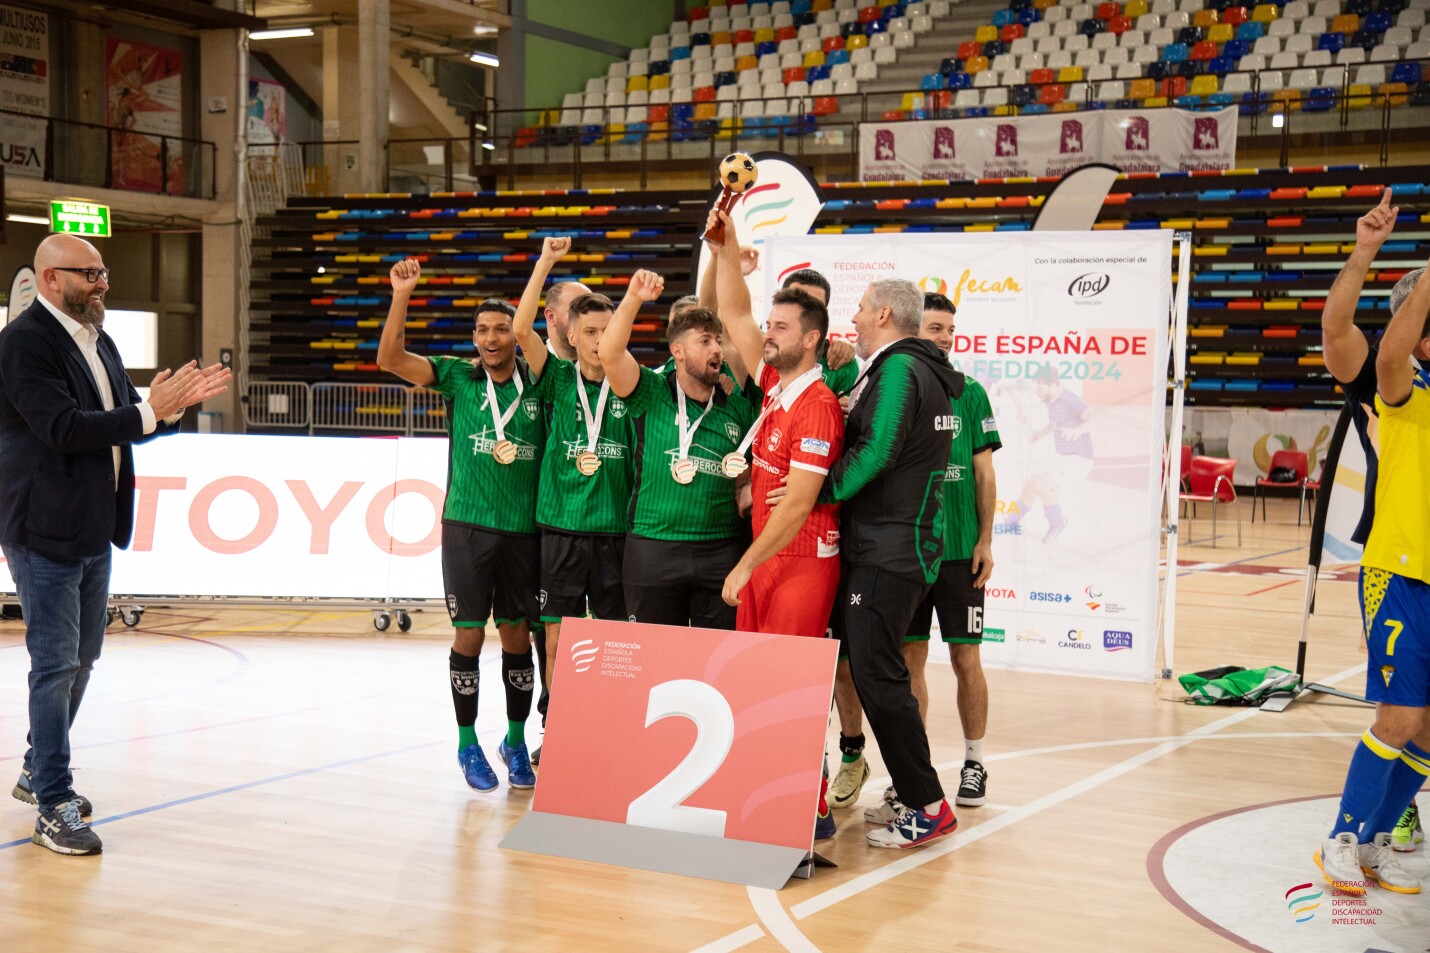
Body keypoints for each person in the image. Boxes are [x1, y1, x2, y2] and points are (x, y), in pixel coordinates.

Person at [0, 234, 230, 855]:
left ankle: (35, 766)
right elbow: (64, 430)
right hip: (42, 527)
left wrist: (167, 410)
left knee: (84, 657)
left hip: (92, 523)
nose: (103, 282)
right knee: (54, 665)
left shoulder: (98, 339)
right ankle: (52, 802)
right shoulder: (23, 344)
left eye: (104, 272)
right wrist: (148, 412)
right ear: (51, 279)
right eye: (90, 273)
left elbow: (125, 423)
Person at [378, 260, 542, 794]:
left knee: (517, 635)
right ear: (473, 338)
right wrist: (402, 294)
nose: (491, 339)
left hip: (523, 530)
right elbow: (389, 359)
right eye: (482, 330)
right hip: (467, 528)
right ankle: (467, 742)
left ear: (517, 337)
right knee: (469, 634)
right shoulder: (457, 376)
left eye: (501, 329)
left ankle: (515, 741)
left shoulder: (541, 386)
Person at [708, 211, 845, 840]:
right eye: (772, 325)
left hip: (797, 562)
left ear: (811, 339)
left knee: (791, 686)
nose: (767, 334)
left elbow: (797, 507)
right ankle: (767, 794)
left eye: (781, 327)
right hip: (769, 560)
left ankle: (809, 806)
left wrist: (744, 562)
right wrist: (726, 245)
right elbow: (735, 317)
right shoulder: (775, 385)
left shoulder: (815, 407)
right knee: (760, 681)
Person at [821, 277, 964, 849]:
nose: (851, 320)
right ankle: (915, 795)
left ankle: (927, 805)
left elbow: (876, 453)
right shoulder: (916, 368)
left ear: (883, 314)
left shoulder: (902, 369)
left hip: (889, 548)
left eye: (857, 310)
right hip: (897, 544)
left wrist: (816, 493)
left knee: (880, 679)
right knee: (883, 676)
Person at [855, 293, 1000, 826]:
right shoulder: (905, 381)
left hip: (960, 552)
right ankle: (907, 781)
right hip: (915, 552)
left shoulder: (970, 392)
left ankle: (975, 762)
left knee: (966, 660)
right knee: (909, 664)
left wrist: (985, 540)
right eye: (936, 327)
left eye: (951, 330)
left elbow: (984, 474)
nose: (944, 337)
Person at [1315, 262, 1430, 895]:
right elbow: (1348, 334)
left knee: (1426, 726)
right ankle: (1344, 836)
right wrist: (1367, 252)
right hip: (1401, 567)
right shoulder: (1398, 381)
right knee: (1400, 716)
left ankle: (1378, 840)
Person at [513, 237, 636, 757]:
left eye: (608, 331)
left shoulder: (636, 384)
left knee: (611, 644)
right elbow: (521, 329)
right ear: (571, 332)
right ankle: (558, 729)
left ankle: (608, 730)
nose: (598, 340)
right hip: (560, 531)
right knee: (557, 638)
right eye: (589, 331)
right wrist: (546, 262)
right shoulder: (557, 378)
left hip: (614, 534)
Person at [598, 269, 759, 629]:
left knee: (715, 665)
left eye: (718, 341)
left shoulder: (737, 404)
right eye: (705, 341)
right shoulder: (650, 391)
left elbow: (748, 467)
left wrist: (748, 485)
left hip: (721, 550)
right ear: (678, 352)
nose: (716, 348)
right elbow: (609, 354)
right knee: (652, 662)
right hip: (653, 547)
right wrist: (634, 298)